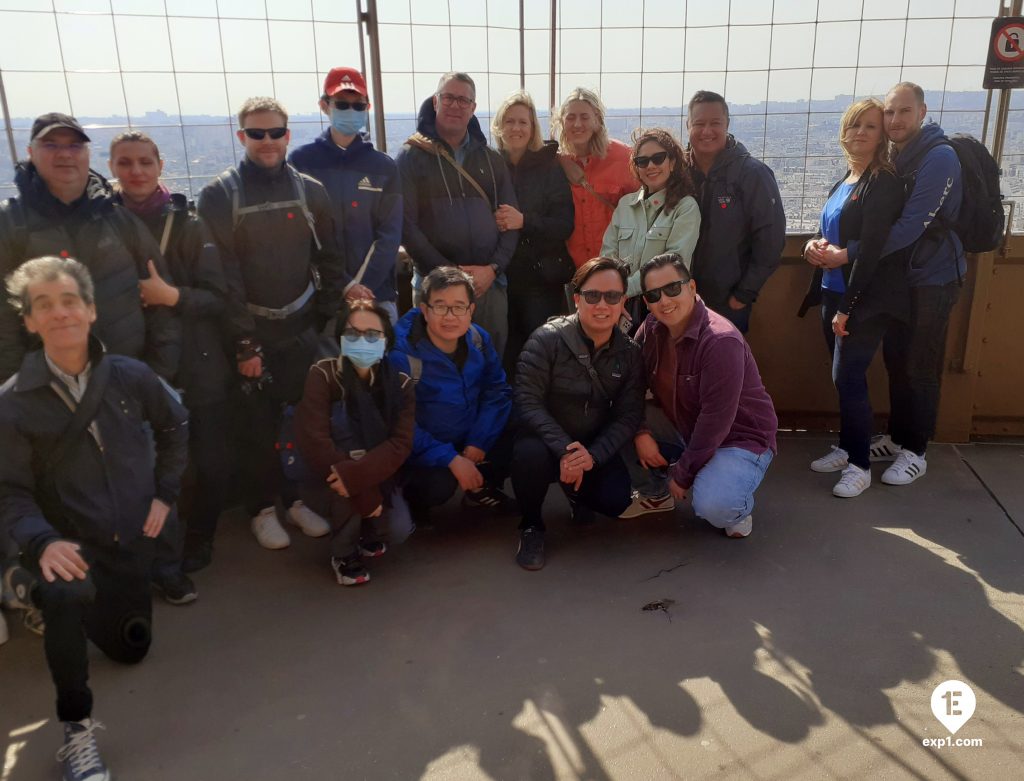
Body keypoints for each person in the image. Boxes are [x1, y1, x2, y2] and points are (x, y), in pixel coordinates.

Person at [0, 256, 188, 781]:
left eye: (68, 302)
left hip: (127, 543)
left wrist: (163, 495)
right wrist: (40, 543)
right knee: (64, 593)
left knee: (133, 648)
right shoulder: (13, 404)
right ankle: (77, 728)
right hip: (69, 545)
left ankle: (35, 592)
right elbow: (9, 493)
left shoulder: (129, 376)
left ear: (90, 309)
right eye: (43, 305)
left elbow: (176, 429)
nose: (59, 313)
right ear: (29, 321)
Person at [197, 97, 347, 550]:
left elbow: (331, 260)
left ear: (288, 135)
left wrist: (322, 320)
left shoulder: (310, 191)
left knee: (300, 423)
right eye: (256, 133)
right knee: (256, 429)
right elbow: (222, 276)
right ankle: (262, 509)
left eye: (275, 132)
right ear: (240, 136)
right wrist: (244, 343)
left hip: (301, 331)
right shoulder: (220, 195)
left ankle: (295, 499)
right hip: (253, 335)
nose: (267, 141)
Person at [109, 130, 232, 574]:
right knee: (148, 467)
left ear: (161, 166)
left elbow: (217, 297)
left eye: (145, 161)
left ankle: (200, 539)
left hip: (199, 363)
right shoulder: (103, 224)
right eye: (125, 163)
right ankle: (162, 551)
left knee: (211, 463)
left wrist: (170, 297)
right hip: (132, 360)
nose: (136, 171)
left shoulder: (190, 224)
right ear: (111, 169)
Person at [0, 112, 180, 383]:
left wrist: (156, 377)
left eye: (74, 145)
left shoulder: (118, 219)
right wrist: (19, 392)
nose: (65, 154)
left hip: (126, 384)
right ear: (30, 153)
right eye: (51, 145)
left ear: (87, 153)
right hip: (49, 391)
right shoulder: (10, 224)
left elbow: (160, 308)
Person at [621, 253, 777, 538]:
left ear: (691, 288)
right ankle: (656, 493)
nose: (664, 301)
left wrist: (683, 474)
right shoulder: (652, 329)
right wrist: (640, 432)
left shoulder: (720, 340)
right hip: (685, 426)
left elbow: (716, 421)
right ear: (646, 302)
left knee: (714, 507)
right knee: (616, 418)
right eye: (654, 294)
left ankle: (737, 504)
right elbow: (630, 386)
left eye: (672, 288)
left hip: (738, 438)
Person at [798, 99, 909, 497]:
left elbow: (876, 245)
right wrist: (813, 245)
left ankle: (860, 465)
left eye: (871, 126)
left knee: (847, 376)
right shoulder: (847, 177)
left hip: (862, 298)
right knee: (844, 378)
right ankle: (848, 448)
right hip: (833, 289)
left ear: (883, 136)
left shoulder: (884, 182)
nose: (861, 132)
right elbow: (833, 231)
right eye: (854, 125)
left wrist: (846, 308)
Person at [512, 258, 645, 570]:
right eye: (592, 296)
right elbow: (527, 401)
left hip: (591, 442)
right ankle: (531, 525)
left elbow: (628, 415)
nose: (602, 305)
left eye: (612, 296)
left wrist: (593, 455)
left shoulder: (630, 353)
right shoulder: (546, 340)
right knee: (526, 455)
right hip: (547, 441)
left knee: (616, 500)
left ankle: (577, 495)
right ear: (576, 299)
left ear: (623, 301)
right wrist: (567, 450)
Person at [876, 82, 964, 485]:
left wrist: (856, 253)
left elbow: (913, 224)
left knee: (920, 364)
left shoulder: (939, 157)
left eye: (904, 112)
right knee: (896, 358)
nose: (895, 120)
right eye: (889, 112)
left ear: (923, 112)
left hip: (935, 276)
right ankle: (897, 438)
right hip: (903, 275)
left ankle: (917, 450)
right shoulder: (897, 155)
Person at [294, 299, 416, 586]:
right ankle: (343, 554)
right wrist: (362, 491)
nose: (362, 340)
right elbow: (315, 443)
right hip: (327, 476)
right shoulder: (323, 375)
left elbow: (400, 444)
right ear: (340, 339)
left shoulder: (400, 384)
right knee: (343, 485)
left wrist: (361, 480)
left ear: (386, 342)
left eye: (373, 334)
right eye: (353, 334)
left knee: (397, 529)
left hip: (374, 473)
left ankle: (367, 533)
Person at [396, 72, 518, 358]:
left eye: (464, 100)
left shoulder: (491, 159)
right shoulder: (411, 156)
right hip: (435, 287)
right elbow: (407, 226)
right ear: (436, 101)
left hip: (488, 286)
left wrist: (494, 269)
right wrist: (450, 275)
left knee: (489, 364)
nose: (456, 105)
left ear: (473, 108)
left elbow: (511, 221)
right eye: (449, 97)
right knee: (435, 368)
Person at [388, 266, 514, 526]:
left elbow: (497, 391)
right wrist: (450, 459)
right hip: (424, 451)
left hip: (468, 437)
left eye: (458, 307)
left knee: (521, 428)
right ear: (424, 309)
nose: (449, 316)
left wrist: (479, 441)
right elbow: (399, 422)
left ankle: (479, 489)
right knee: (438, 487)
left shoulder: (478, 339)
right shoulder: (403, 354)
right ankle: (412, 501)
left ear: (471, 310)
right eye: (440, 306)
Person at [289, 66, 403, 323]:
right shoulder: (301, 162)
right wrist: (345, 285)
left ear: (368, 108)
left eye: (358, 105)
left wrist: (360, 287)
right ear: (324, 105)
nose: (351, 111)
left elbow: (390, 234)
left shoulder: (384, 166)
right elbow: (301, 234)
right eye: (341, 104)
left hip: (376, 296)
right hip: (320, 298)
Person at [685, 91, 786, 333]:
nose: (706, 131)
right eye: (699, 123)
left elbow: (770, 239)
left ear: (727, 125)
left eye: (715, 123)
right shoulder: (677, 172)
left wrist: (743, 293)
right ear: (688, 125)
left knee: (724, 366)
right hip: (679, 298)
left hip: (728, 301)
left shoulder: (752, 174)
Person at [491, 89, 575, 372]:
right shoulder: (489, 166)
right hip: (499, 278)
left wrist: (523, 220)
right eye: (510, 121)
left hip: (539, 281)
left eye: (523, 122)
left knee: (540, 353)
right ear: (499, 126)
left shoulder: (549, 167)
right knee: (504, 352)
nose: (516, 128)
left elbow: (564, 224)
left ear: (532, 128)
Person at [600, 127, 701, 329]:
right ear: (636, 168)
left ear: (672, 163)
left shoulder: (686, 207)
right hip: (624, 307)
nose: (650, 166)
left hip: (663, 305)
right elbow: (608, 254)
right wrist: (614, 294)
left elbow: (675, 261)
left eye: (658, 158)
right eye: (642, 161)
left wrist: (623, 291)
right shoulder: (625, 205)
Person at [551, 88, 636, 269]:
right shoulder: (555, 164)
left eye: (585, 117)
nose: (577, 124)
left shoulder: (624, 158)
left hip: (617, 267)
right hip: (573, 270)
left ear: (597, 120)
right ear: (561, 123)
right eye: (570, 117)